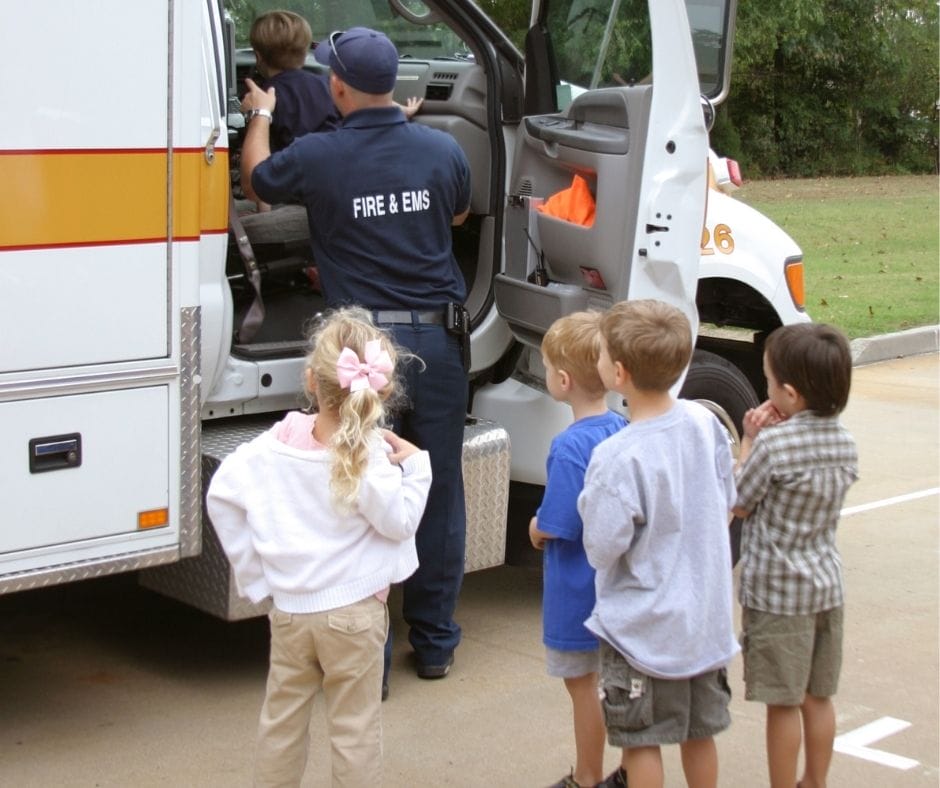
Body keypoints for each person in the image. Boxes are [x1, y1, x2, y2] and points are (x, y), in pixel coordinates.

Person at [239, 27, 472, 692]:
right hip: (437, 342)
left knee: (359, 488)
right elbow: (456, 218)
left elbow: (257, 184)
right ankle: (435, 645)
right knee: (440, 489)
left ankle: (371, 660)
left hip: (362, 353)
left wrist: (260, 113)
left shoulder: (316, 155)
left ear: (335, 85)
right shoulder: (441, 148)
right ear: (392, 85)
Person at [205, 307, 432, 786]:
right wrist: (418, 470)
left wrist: (256, 577)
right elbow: (399, 522)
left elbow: (222, 494)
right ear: (380, 389)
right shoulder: (369, 454)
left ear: (311, 379)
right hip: (354, 617)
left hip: (289, 613)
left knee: (281, 725)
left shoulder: (275, 443)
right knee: (355, 732)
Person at [578, 299, 739, 788]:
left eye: (602, 354)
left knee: (641, 741)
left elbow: (601, 547)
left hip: (644, 634)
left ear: (619, 373)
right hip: (705, 626)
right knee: (698, 733)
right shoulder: (704, 422)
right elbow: (727, 496)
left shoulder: (616, 455)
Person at [732, 322, 858, 788]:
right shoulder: (845, 441)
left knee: (782, 702)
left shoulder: (773, 444)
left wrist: (748, 441)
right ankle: (815, 782)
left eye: (767, 381)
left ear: (788, 394)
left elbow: (740, 501)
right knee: (818, 696)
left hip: (778, 596)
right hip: (826, 585)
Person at [528, 312, 627, 788]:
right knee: (620, 684)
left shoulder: (569, 446)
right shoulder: (622, 427)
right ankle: (629, 767)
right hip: (618, 589)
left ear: (562, 381)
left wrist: (533, 527)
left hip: (577, 591)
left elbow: (558, 524)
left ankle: (587, 775)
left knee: (582, 686)